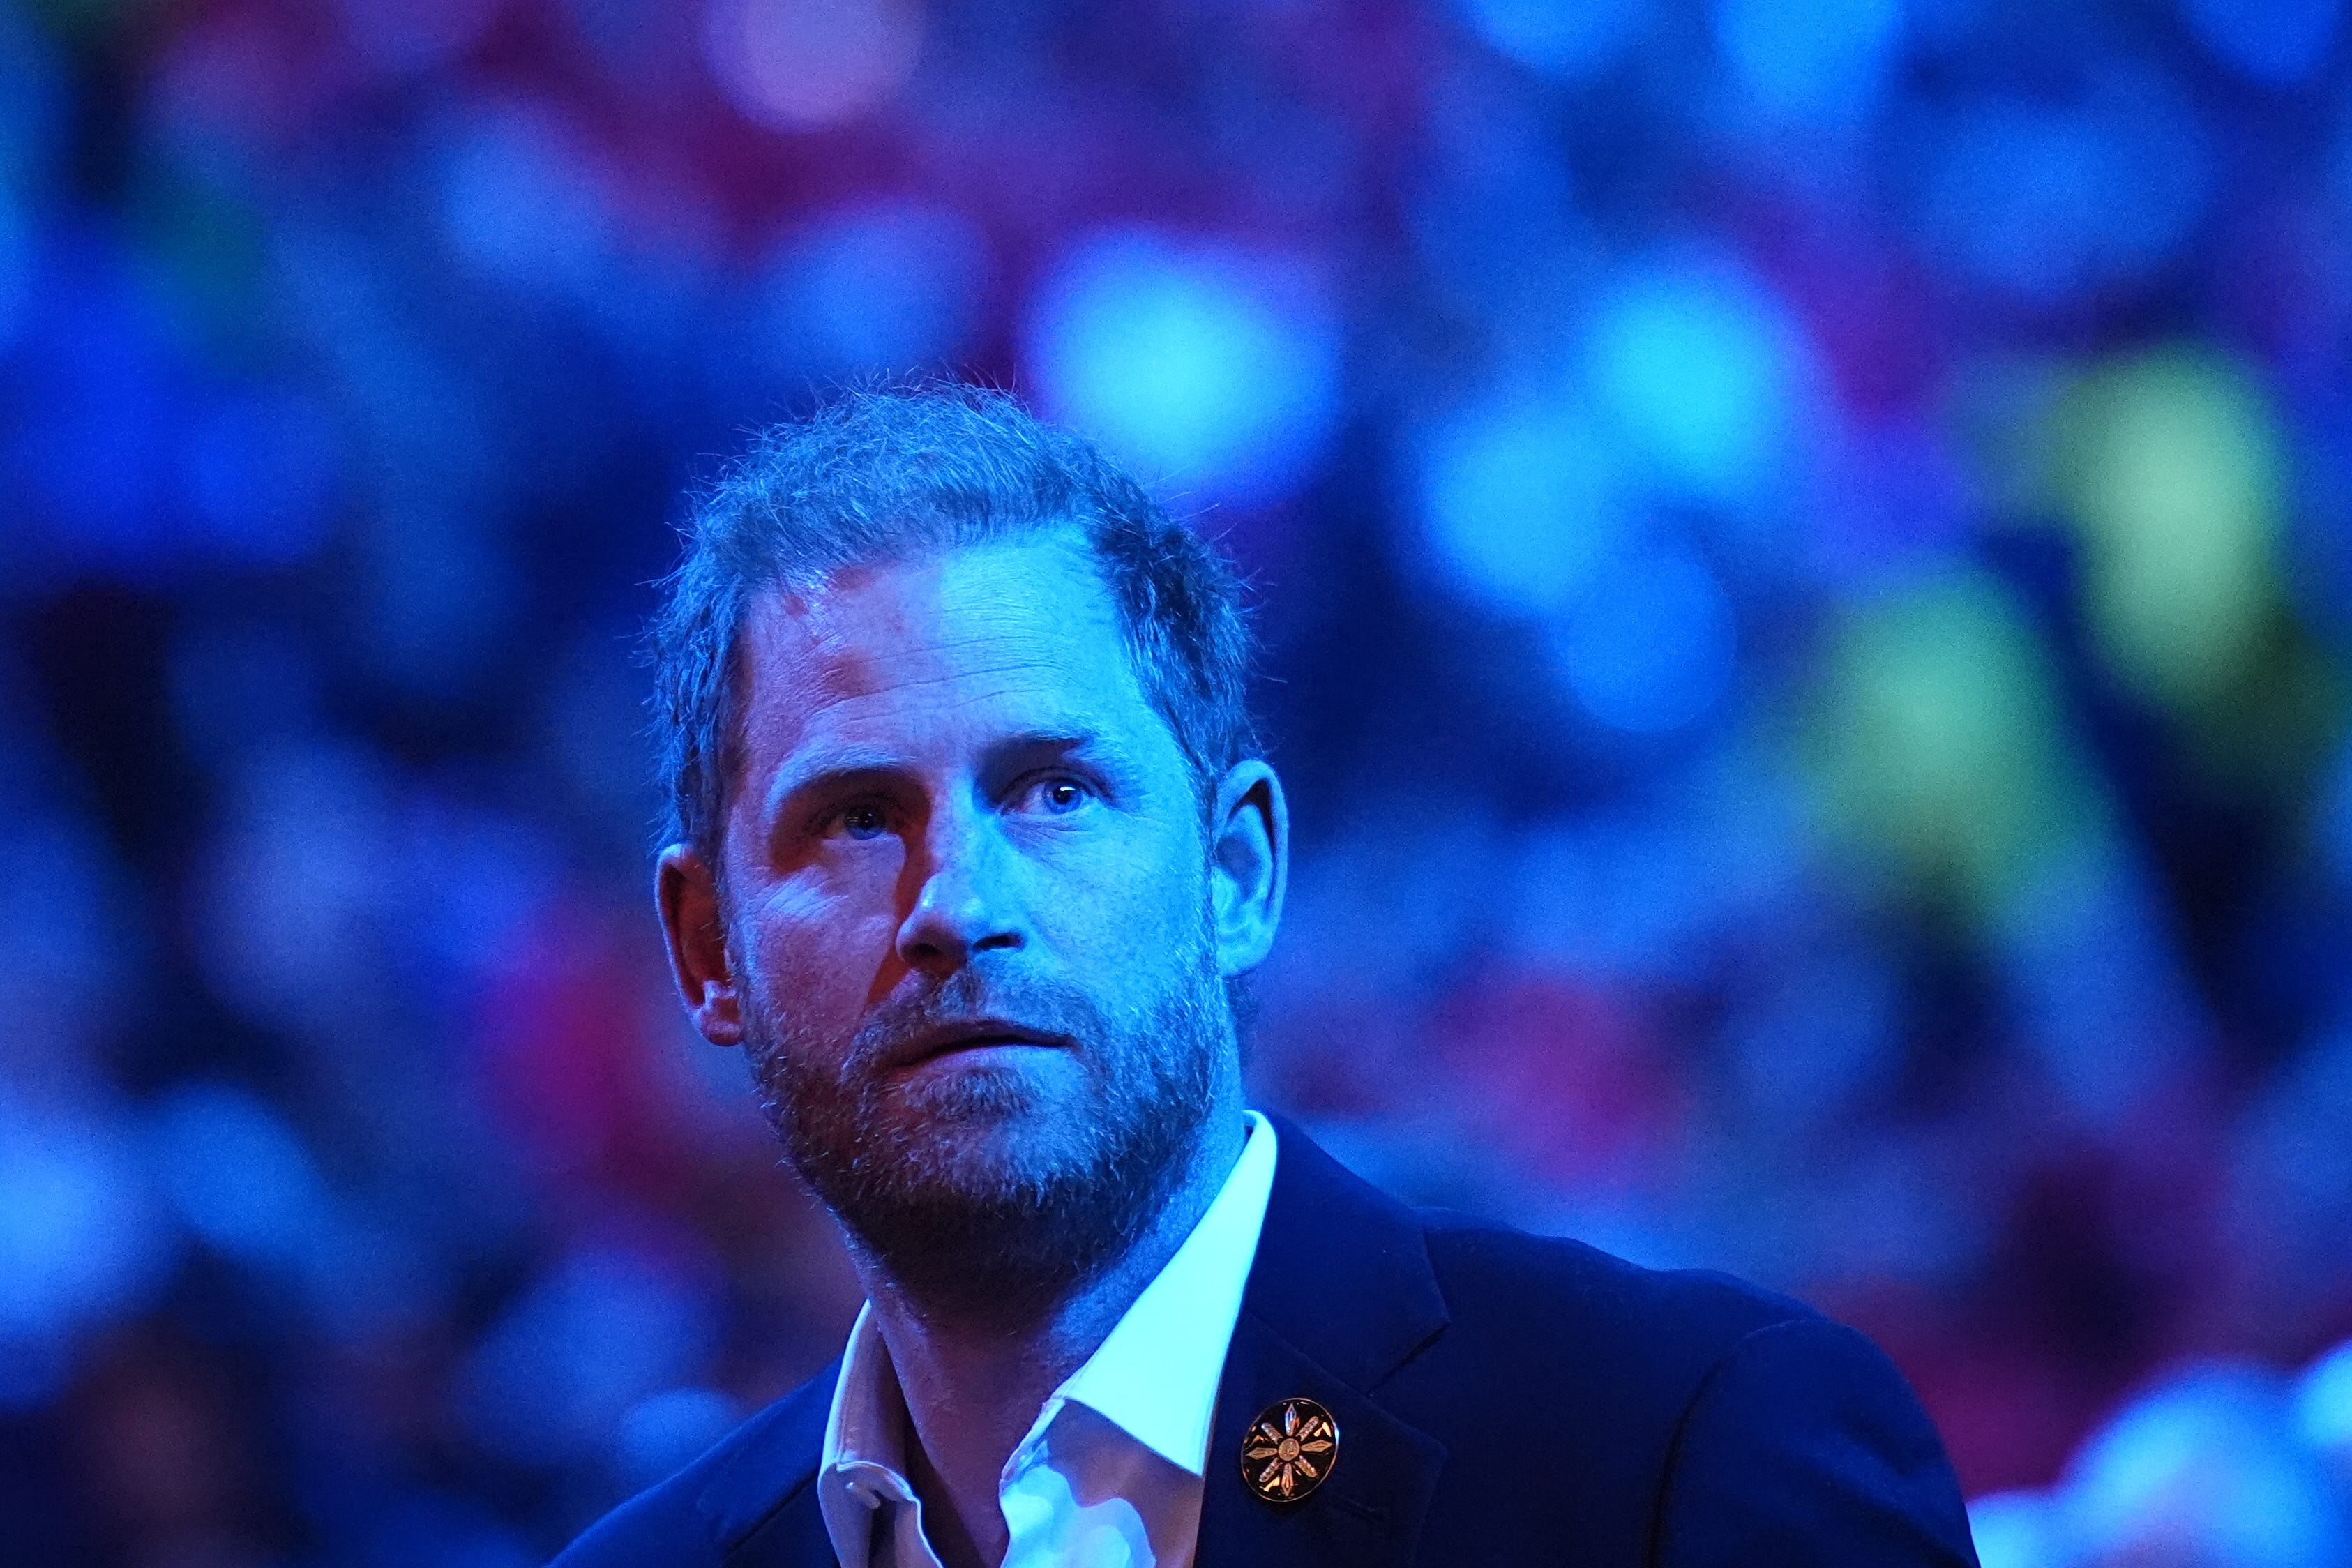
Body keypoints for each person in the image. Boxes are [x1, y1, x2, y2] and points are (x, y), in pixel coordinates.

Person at [550, 384, 1980, 1568]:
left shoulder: (1683, 1453)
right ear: (705, 947)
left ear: (1235, 875)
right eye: (858, 818)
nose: (958, 904)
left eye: (1053, 791)